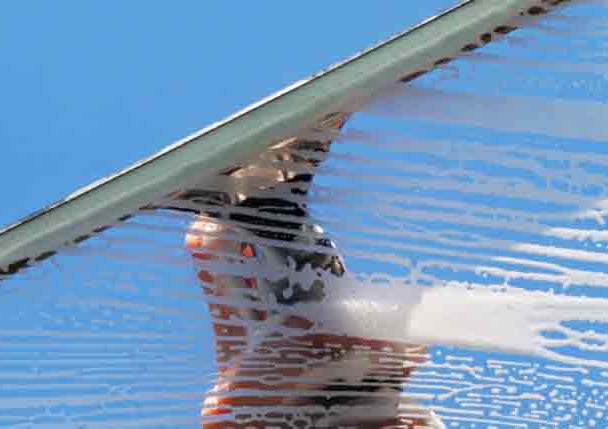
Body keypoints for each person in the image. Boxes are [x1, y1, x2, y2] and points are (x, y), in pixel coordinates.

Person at [180, 133, 443, 429]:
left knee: (229, 411)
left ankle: (249, 217)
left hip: (323, 369)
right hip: (353, 358)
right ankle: (261, 214)